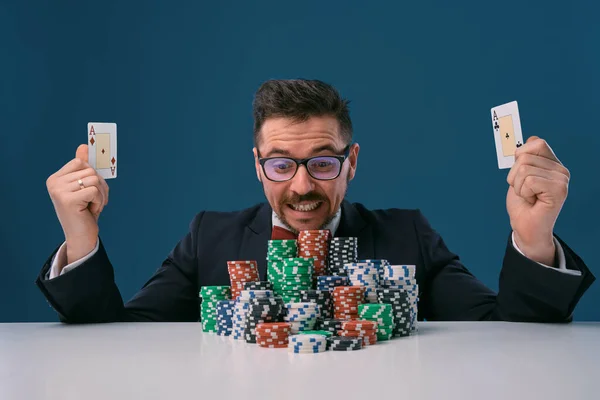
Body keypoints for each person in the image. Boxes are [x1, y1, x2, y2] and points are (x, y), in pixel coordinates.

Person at [37, 79, 594, 323]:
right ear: (257, 168)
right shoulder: (211, 237)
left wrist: (534, 238)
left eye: (323, 162)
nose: (302, 186)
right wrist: (81, 239)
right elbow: (118, 343)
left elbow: (509, 334)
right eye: (280, 164)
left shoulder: (409, 236)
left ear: (352, 163)